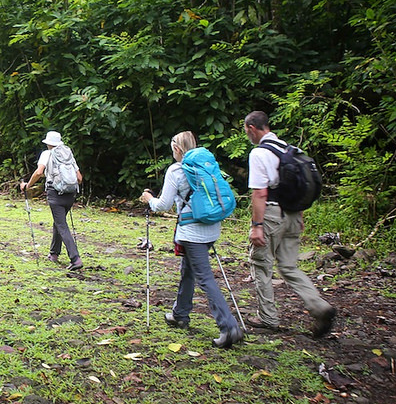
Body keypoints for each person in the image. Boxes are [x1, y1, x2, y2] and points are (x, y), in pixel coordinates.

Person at [140, 131, 243, 349]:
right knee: (189, 271)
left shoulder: (176, 170)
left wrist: (149, 199)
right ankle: (180, 314)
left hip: (192, 232)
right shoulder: (206, 165)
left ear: (176, 149)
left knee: (204, 277)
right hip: (212, 228)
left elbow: (163, 205)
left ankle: (229, 327)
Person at [243, 110, 337, 338]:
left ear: (252, 128)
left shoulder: (259, 153)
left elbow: (260, 193)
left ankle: (268, 317)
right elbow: (296, 184)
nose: (248, 135)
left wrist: (257, 225)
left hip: (272, 214)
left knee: (262, 264)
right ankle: (319, 306)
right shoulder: (288, 149)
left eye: (246, 131)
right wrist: (299, 214)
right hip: (294, 214)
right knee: (289, 266)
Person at [19, 131, 84, 271]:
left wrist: (27, 186)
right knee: (59, 222)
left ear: (48, 143)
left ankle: (75, 258)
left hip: (55, 193)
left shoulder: (47, 154)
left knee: (61, 224)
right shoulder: (68, 153)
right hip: (70, 194)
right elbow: (79, 178)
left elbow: (38, 172)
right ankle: (54, 254)